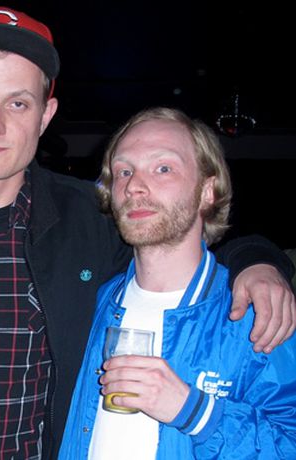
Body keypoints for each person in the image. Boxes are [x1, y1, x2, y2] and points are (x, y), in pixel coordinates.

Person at [0, 6, 295, 460]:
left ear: (45, 115)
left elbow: (175, 235)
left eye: (18, 103)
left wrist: (260, 263)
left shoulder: (94, 220)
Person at [58, 107, 296, 459]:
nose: (134, 186)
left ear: (207, 191)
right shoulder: (93, 301)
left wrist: (195, 412)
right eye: (124, 171)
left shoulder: (257, 313)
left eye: (163, 168)